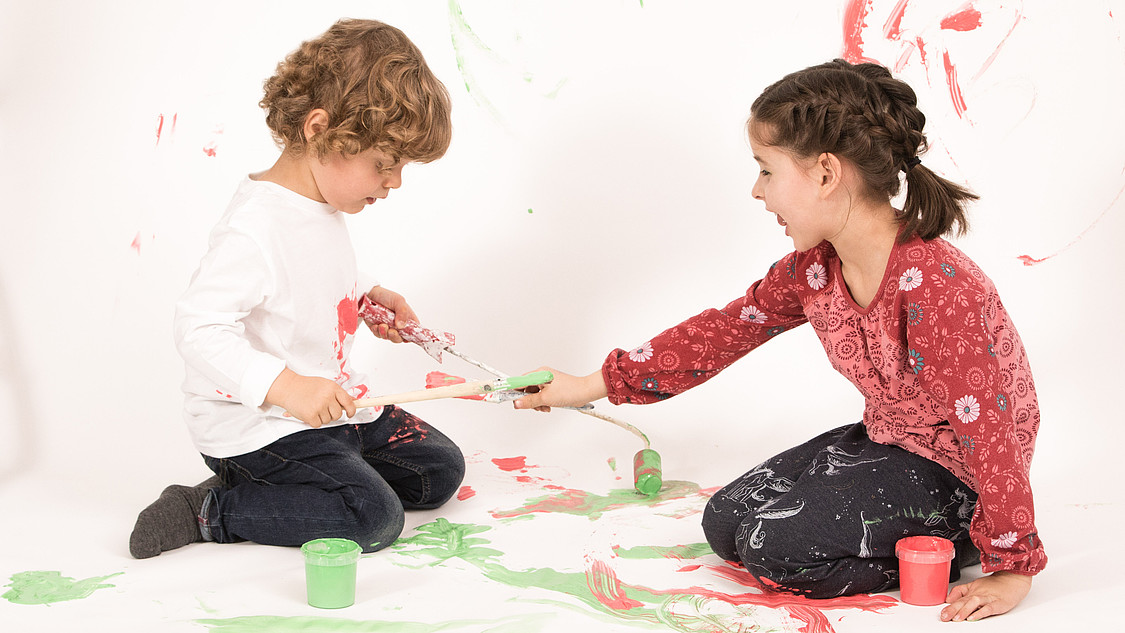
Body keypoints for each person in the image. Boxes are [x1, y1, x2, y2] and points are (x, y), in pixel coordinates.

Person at [514, 59, 1045, 622]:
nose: (756, 191)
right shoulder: (814, 268)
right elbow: (721, 332)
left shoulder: (936, 288)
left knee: (773, 551)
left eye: (766, 171)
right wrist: (587, 385)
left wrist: (1013, 565)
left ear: (825, 173)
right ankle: (899, 532)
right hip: (888, 438)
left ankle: (950, 548)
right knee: (726, 523)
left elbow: (991, 429)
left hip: (959, 471)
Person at [130, 19, 465, 559]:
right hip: (261, 427)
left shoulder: (320, 203)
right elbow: (198, 327)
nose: (395, 182)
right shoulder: (254, 227)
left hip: (330, 411)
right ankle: (212, 509)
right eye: (384, 164)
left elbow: (308, 277)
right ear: (319, 129)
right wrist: (287, 386)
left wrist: (367, 296)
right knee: (374, 519)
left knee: (439, 472)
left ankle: (311, 483)